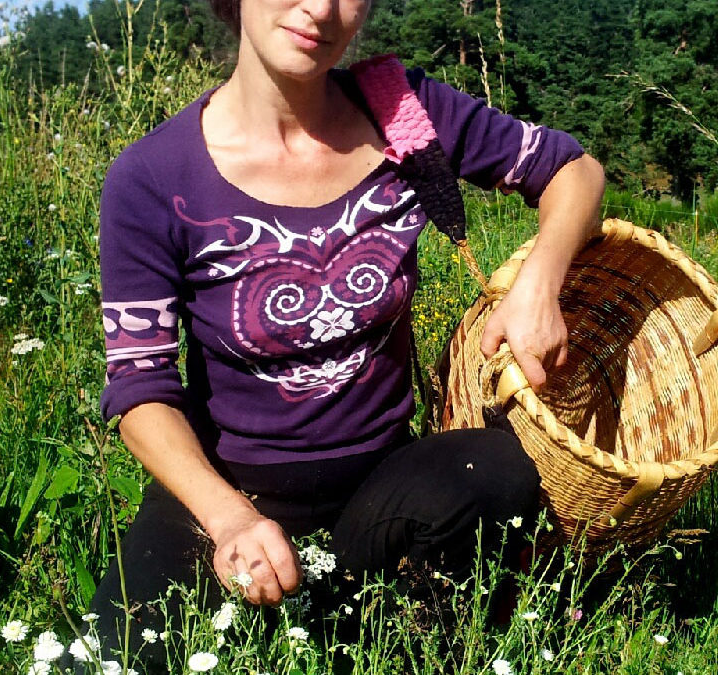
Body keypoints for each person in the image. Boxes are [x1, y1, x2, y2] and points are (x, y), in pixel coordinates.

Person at [90, 0, 605, 667]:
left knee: (498, 470)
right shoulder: (153, 178)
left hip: (381, 487)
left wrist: (540, 281)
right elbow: (139, 389)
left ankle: (394, 623)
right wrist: (230, 519)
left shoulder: (401, 111)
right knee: (119, 656)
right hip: (231, 491)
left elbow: (575, 171)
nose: (321, 8)